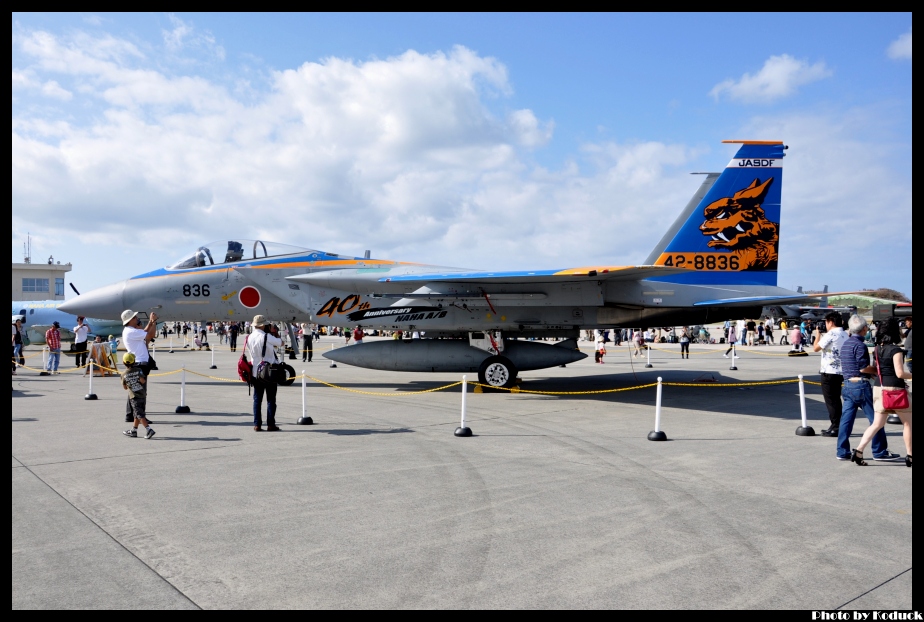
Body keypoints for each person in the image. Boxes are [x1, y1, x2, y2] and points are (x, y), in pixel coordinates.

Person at [836, 315, 903, 462]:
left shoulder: (846, 343)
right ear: (864, 329)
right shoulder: (860, 345)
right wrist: (879, 371)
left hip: (847, 385)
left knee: (846, 420)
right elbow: (863, 368)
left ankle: (842, 451)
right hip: (860, 385)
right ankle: (879, 451)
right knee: (876, 420)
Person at [850, 318, 912, 467]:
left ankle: (858, 451)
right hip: (895, 390)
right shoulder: (896, 350)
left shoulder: (877, 349)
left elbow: (875, 368)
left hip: (879, 388)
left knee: (876, 424)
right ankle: (910, 455)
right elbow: (899, 373)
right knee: (908, 424)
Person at [813, 311, 848, 437]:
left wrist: (817, 335)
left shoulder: (831, 334)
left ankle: (835, 427)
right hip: (841, 370)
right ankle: (837, 425)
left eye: (826, 322)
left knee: (831, 401)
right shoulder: (845, 333)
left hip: (829, 371)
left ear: (831, 322)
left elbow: (816, 348)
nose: (825, 325)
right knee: (836, 399)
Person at [246, 315, 283, 432]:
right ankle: (271, 424)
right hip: (269, 372)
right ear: (263, 325)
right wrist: (274, 332)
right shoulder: (267, 336)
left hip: (256, 372)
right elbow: (281, 343)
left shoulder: (249, 337)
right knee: (271, 399)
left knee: (257, 400)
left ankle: (257, 424)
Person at [121, 310, 158, 423]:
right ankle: (141, 416)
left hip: (137, 363)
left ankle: (130, 415)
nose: (137, 318)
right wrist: (153, 321)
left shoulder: (131, 331)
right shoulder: (131, 331)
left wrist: (151, 322)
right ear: (130, 320)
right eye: (134, 317)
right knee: (140, 392)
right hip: (139, 364)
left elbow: (145, 332)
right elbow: (149, 334)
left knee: (134, 391)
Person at [121, 352, 155, 439]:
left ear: (123, 362)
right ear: (134, 361)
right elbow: (143, 381)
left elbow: (125, 387)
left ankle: (148, 429)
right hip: (142, 394)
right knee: (137, 414)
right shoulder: (138, 370)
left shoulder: (123, 374)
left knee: (139, 414)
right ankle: (134, 430)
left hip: (134, 396)